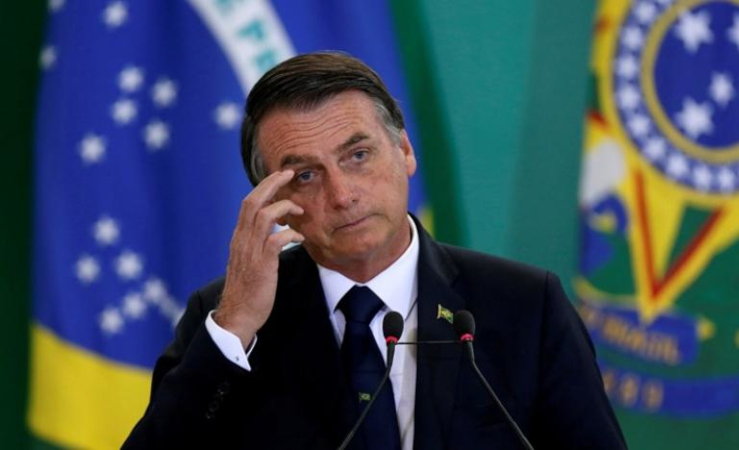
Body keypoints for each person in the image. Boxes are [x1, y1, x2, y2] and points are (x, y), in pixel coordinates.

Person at [124, 52, 627, 450]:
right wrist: (235, 326)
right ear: (273, 202)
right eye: (305, 175)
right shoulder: (229, 320)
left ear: (404, 151)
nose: (342, 195)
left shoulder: (524, 305)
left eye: (358, 155)